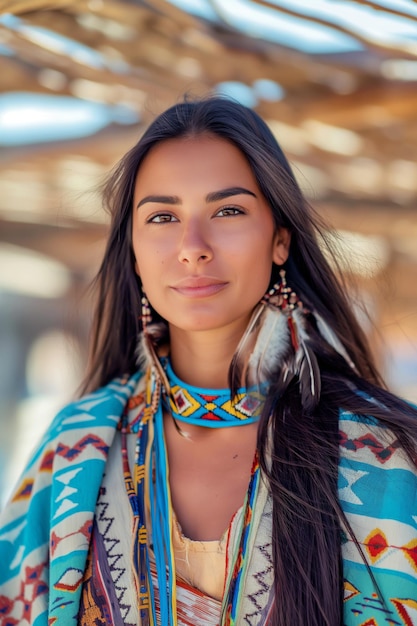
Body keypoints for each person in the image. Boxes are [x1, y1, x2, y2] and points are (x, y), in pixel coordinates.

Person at [0, 96, 416, 626]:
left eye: (228, 211)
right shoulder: (73, 452)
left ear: (280, 241)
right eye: (162, 216)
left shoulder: (382, 452)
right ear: (132, 249)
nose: (192, 246)